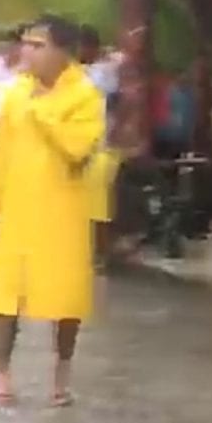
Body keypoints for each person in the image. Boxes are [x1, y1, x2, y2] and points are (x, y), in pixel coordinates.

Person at [0, 15, 104, 407]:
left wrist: (43, 113)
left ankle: (61, 375)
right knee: (8, 293)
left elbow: (78, 150)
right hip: (19, 207)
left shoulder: (85, 96)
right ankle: (2, 374)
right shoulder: (15, 95)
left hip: (63, 210)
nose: (27, 51)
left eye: (38, 45)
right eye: (25, 43)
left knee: (65, 295)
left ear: (64, 52)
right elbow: (1, 157)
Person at [77, 25, 122, 267]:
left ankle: (101, 254)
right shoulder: (81, 72)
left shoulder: (103, 72)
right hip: (80, 145)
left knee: (98, 207)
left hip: (99, 146)